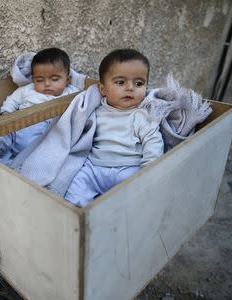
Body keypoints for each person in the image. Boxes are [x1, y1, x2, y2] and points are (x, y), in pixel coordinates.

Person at [64, 49, 164, 207]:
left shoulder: (142, 116)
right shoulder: (95, 110)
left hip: (128, 169)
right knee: (76, 185)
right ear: (103, 89)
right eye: (120, 82)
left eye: (139, 83)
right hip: (94, 167)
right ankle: (75, 211)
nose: (130, 88)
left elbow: (154, 144)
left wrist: (147, 174)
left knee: (134, 201)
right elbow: (79, 130)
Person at [0, 47, 80, 165]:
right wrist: (6, 114)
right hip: (21, 128)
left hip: (49, 136)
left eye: (54, 79)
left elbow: (83, 106)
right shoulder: (27, 90)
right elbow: (12, 101)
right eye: (39, 80)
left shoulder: (72, 93)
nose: (47, 84)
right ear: (33, 79)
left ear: (67, 80)